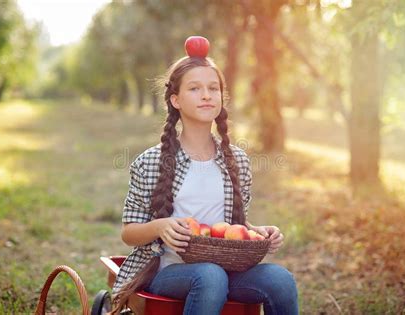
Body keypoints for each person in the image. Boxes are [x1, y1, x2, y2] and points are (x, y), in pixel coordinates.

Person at [111, 36, 298, 315]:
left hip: (227, 269)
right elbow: (129, 233)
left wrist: (258, 233)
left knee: (280, 280)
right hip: (170, 272)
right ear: (175, 100)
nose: (207, 95)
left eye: (213, 88)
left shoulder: (238, 161)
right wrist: (161, 226)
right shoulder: (150, 162)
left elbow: (234, 224)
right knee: (209, 275)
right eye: (195, 88)